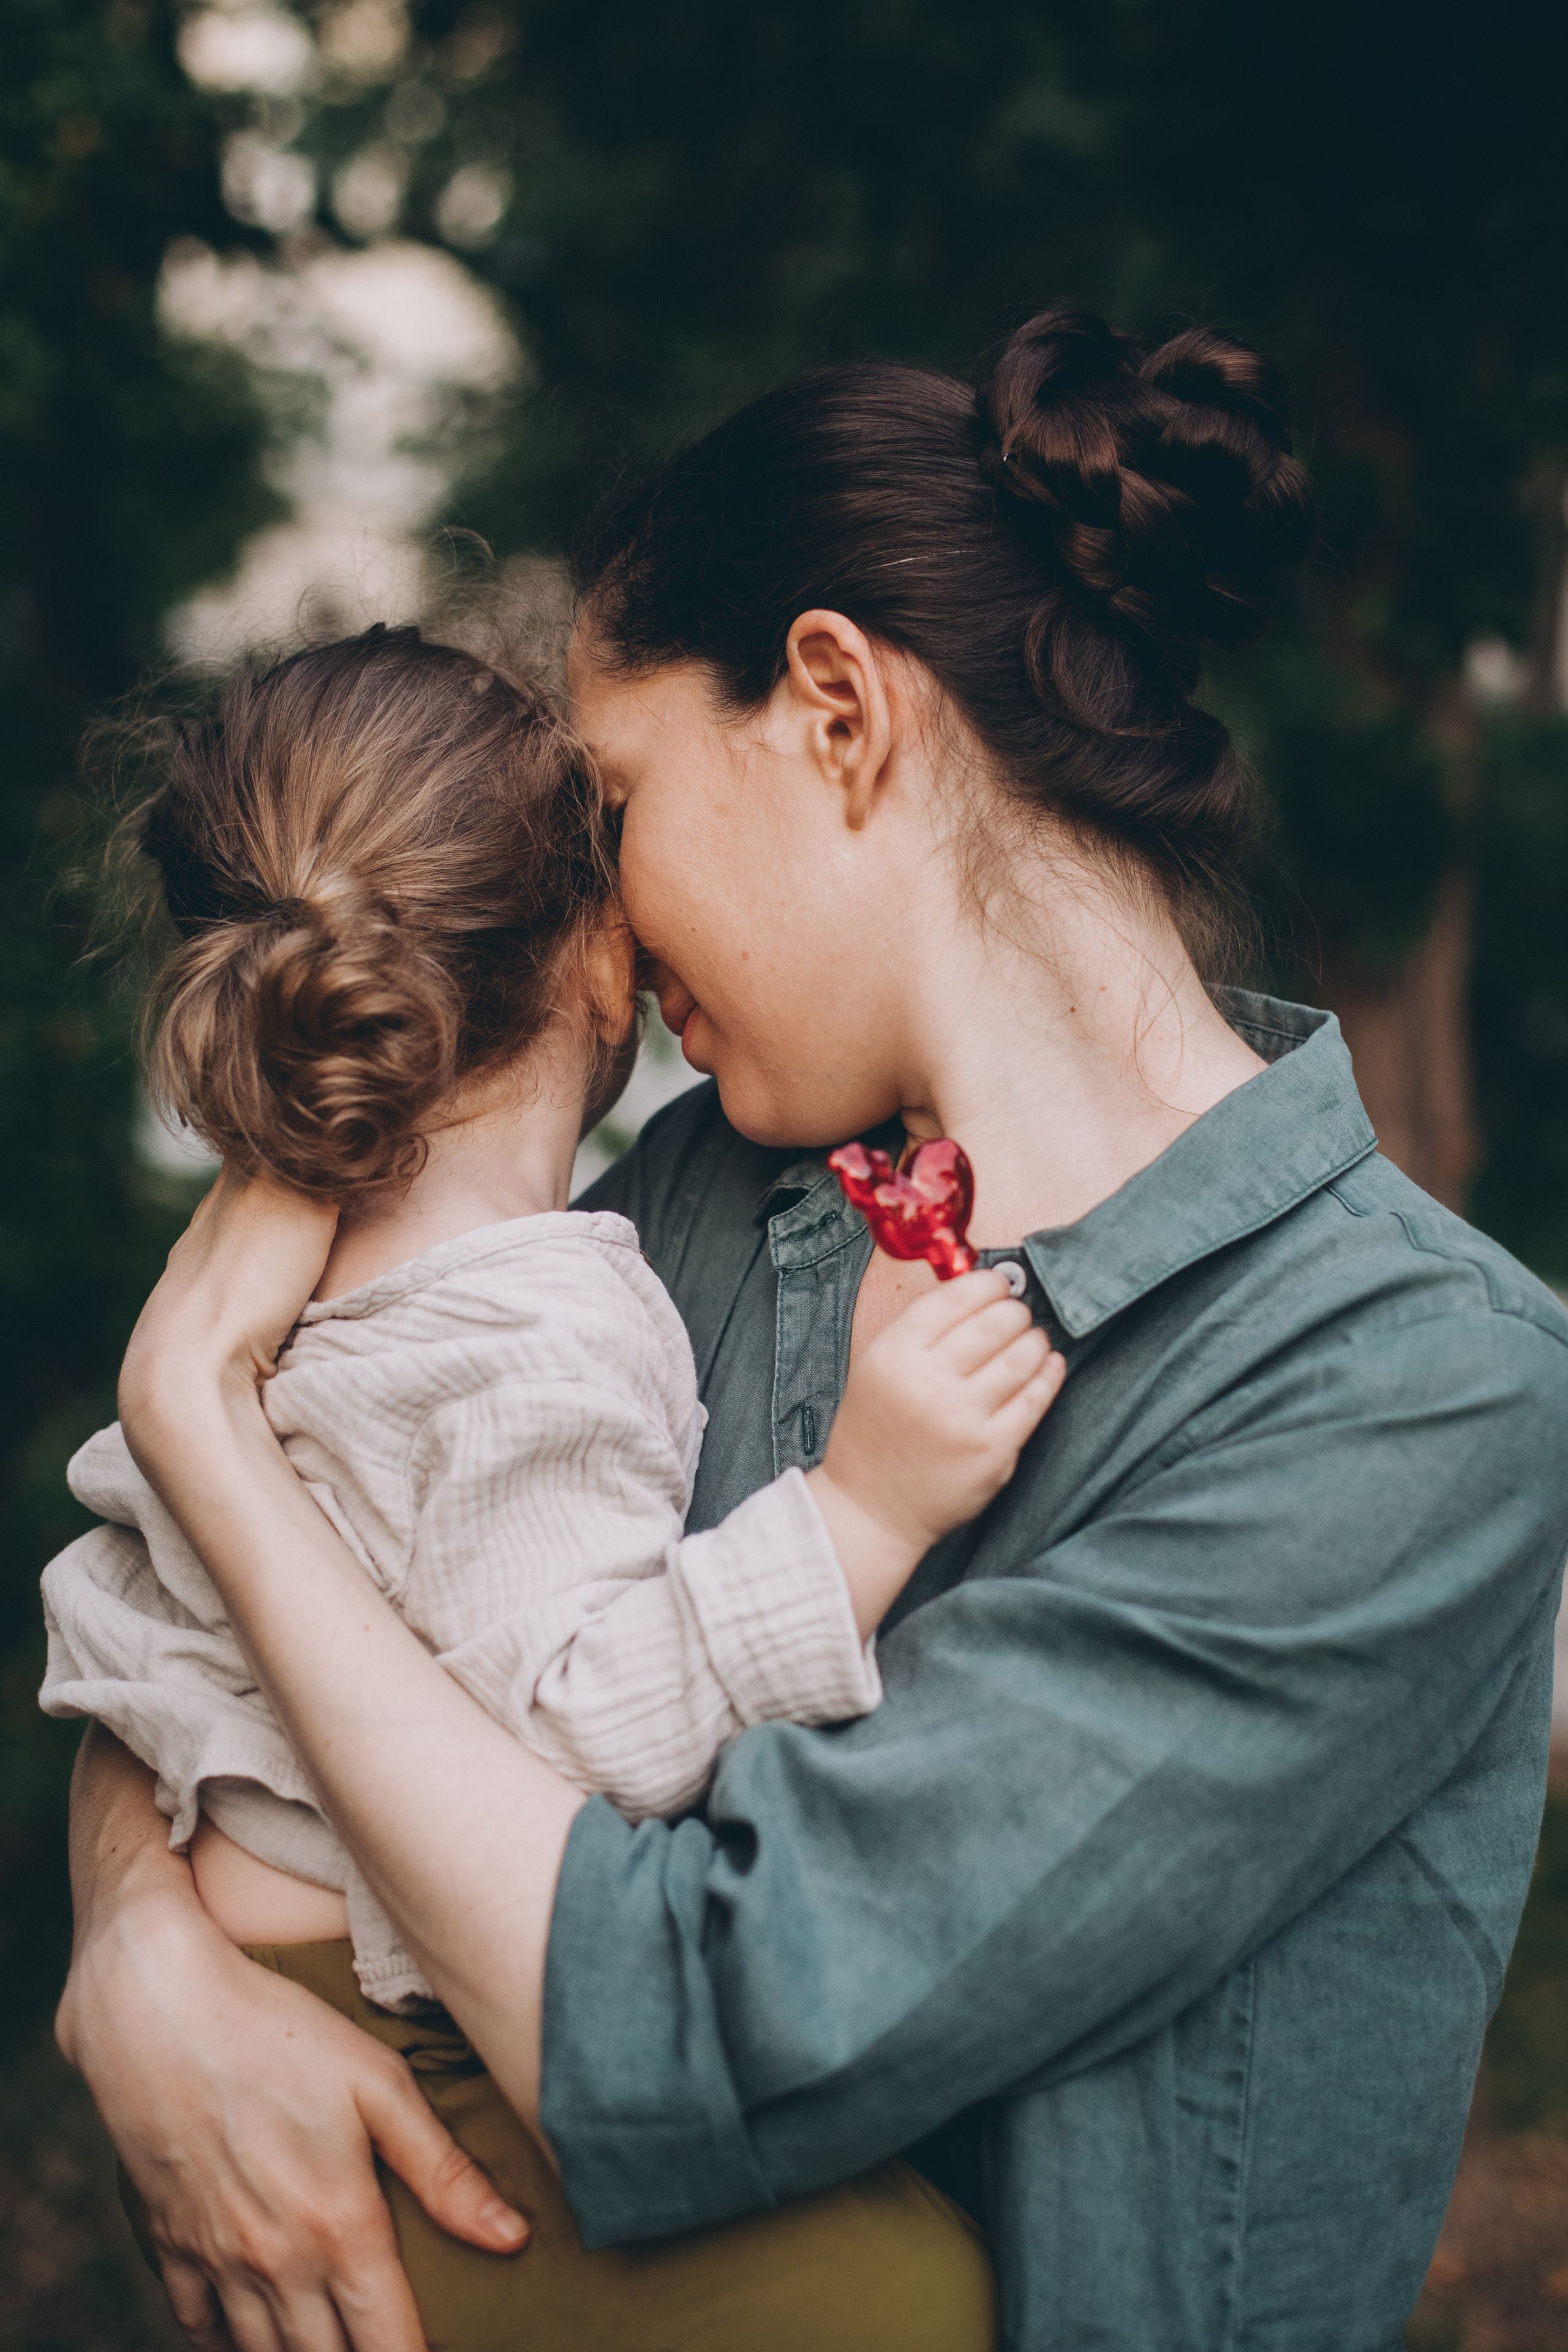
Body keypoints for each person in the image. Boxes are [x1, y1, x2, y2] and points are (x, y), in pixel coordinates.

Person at [54, 307, 1568, 2352]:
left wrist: (195, 1422)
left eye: (613, 805)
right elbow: (281, 1615)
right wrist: (138, 1946)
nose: (595, 921)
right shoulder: (696, 1198)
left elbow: (693, 2019)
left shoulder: (1413, 1391)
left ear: (839, 709)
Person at [43, 623, 1057, 2347]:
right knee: (920, 2306)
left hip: (264, 1978)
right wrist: (866, 1514)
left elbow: (117, 1628)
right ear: (593, 953)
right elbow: (578, 1735)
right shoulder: (535, 1317)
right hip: (421, 2045)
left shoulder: (272, 1301)